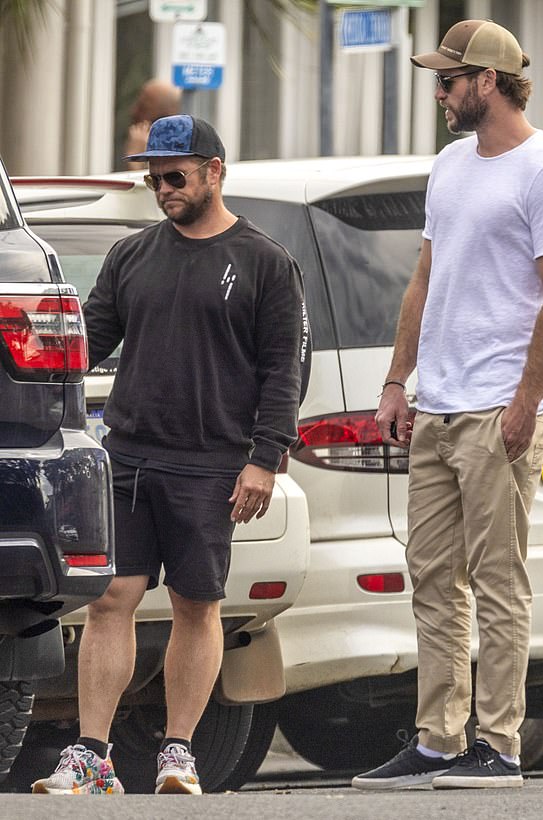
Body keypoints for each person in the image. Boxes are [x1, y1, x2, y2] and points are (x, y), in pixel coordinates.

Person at [33, 114, 310, 795]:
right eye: (153, 177)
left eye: (175, 175)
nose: (162, 187)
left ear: (215, 171)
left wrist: (265, 458)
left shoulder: (265, 262)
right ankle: (92, 758)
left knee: (196, 603)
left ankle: (177, 752)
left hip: (212, 461)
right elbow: (85, 344)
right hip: (127, 457)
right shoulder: (132, 255)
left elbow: (284, 370)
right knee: (111, 599)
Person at [352, 20, 543, 791]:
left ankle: (501, 745)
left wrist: (526, 402)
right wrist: (398, 381)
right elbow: (424, 279)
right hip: (441, 403)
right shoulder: (452, 164)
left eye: (449, 80)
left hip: (501, 407)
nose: (439, 91)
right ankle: (438, 740)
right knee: (431, 577)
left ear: (487, 82)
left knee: (498, 580)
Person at [124, 79, 182, 171]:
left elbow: (155, 184)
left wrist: (135, 161)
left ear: (166, 115)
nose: (134, 112)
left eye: (143, 108)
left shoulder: (179, 154)